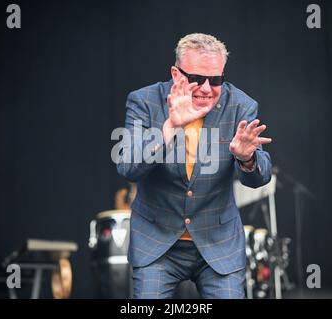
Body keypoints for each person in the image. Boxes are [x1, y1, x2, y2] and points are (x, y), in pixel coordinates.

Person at [116, 33, 272, 299]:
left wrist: (246, 158)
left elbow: (260, 176)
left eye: (216, 80)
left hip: (218, 244)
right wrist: (169, 128)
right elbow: (128, 166)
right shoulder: (144, 101)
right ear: (176, 74)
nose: (206, 88)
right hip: (158, 243)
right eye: (197, 79)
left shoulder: (241, 106)